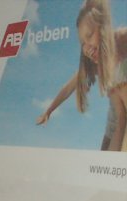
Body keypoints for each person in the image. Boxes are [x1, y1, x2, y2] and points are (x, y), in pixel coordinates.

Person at [36, 0, 127, 151]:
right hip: (113, 125)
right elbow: (68, 88)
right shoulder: (93, 65)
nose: (87, 47)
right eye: (82, 43)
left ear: (103, 28)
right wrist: (48, 111)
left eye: (89, 36)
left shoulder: (122, 39)